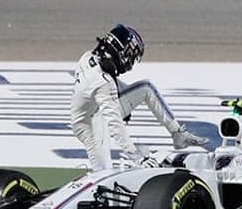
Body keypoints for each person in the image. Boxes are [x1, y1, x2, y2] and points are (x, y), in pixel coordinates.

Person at [71, 24, 209, 171]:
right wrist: (137, 158)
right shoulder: (104, 82)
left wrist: (117, 96)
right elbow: (115, 124)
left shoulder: (88, 57)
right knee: (103, 172)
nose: (130, 58)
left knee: (146, 88)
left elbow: (101, 86)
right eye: (129, 52)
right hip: (90, 124)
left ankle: (178, 133)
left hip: (95, 110)